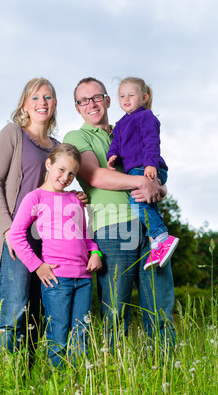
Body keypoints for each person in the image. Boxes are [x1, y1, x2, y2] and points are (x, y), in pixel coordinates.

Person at [63, 77, 176, 351]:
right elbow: (95, 175)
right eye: (83, 100)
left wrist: (158, 188)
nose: (91, 104)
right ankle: (114, 377)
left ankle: (166, 373)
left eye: (97, 97)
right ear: (77, 108)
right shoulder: (78, 137)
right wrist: (142, 183)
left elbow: (153, 171)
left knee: (160, 307)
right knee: (115, 312)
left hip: (150, 227)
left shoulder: (128, 126)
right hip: (114, 229)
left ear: (108, 100)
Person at [0, 78, 86, 354]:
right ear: (25, 105)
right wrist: (8, 231)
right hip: (17, 238)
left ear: (54, 105)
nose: (42, 103)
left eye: (48, 97)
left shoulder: (57, 146)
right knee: (14, 309)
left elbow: (56, 187)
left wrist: (73, 198)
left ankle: (28, 379)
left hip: (51, 241)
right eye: (36, 98)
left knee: (38, 313)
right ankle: (4, 378)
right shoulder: (13, 134)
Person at [8, 143, 102, 368]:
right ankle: (58, 387)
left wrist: (95, 251)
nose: (66, 177)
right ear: (48, 164)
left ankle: (78, 385)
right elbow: (16, 234)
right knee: (58, 335)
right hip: (56, 279)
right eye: (61, 169)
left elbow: (84, 235)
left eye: (72, 174)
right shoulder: (35, 198)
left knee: (81, 335)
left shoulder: (74, 200)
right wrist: (37, 266)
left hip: (84, 279)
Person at [107, 77, 179, 271]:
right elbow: (117, 142)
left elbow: (151, 141)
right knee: (148, 205)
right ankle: (156, 246)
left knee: (136, 202)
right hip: (137, 169)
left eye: (131, 95)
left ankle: (162, 236)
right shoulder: (121, 123)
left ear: (144, 97)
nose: (126, 99)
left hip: (148, 167)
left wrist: (150, 164)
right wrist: (112, 154)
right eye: (122, 96)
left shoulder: (145, 116)